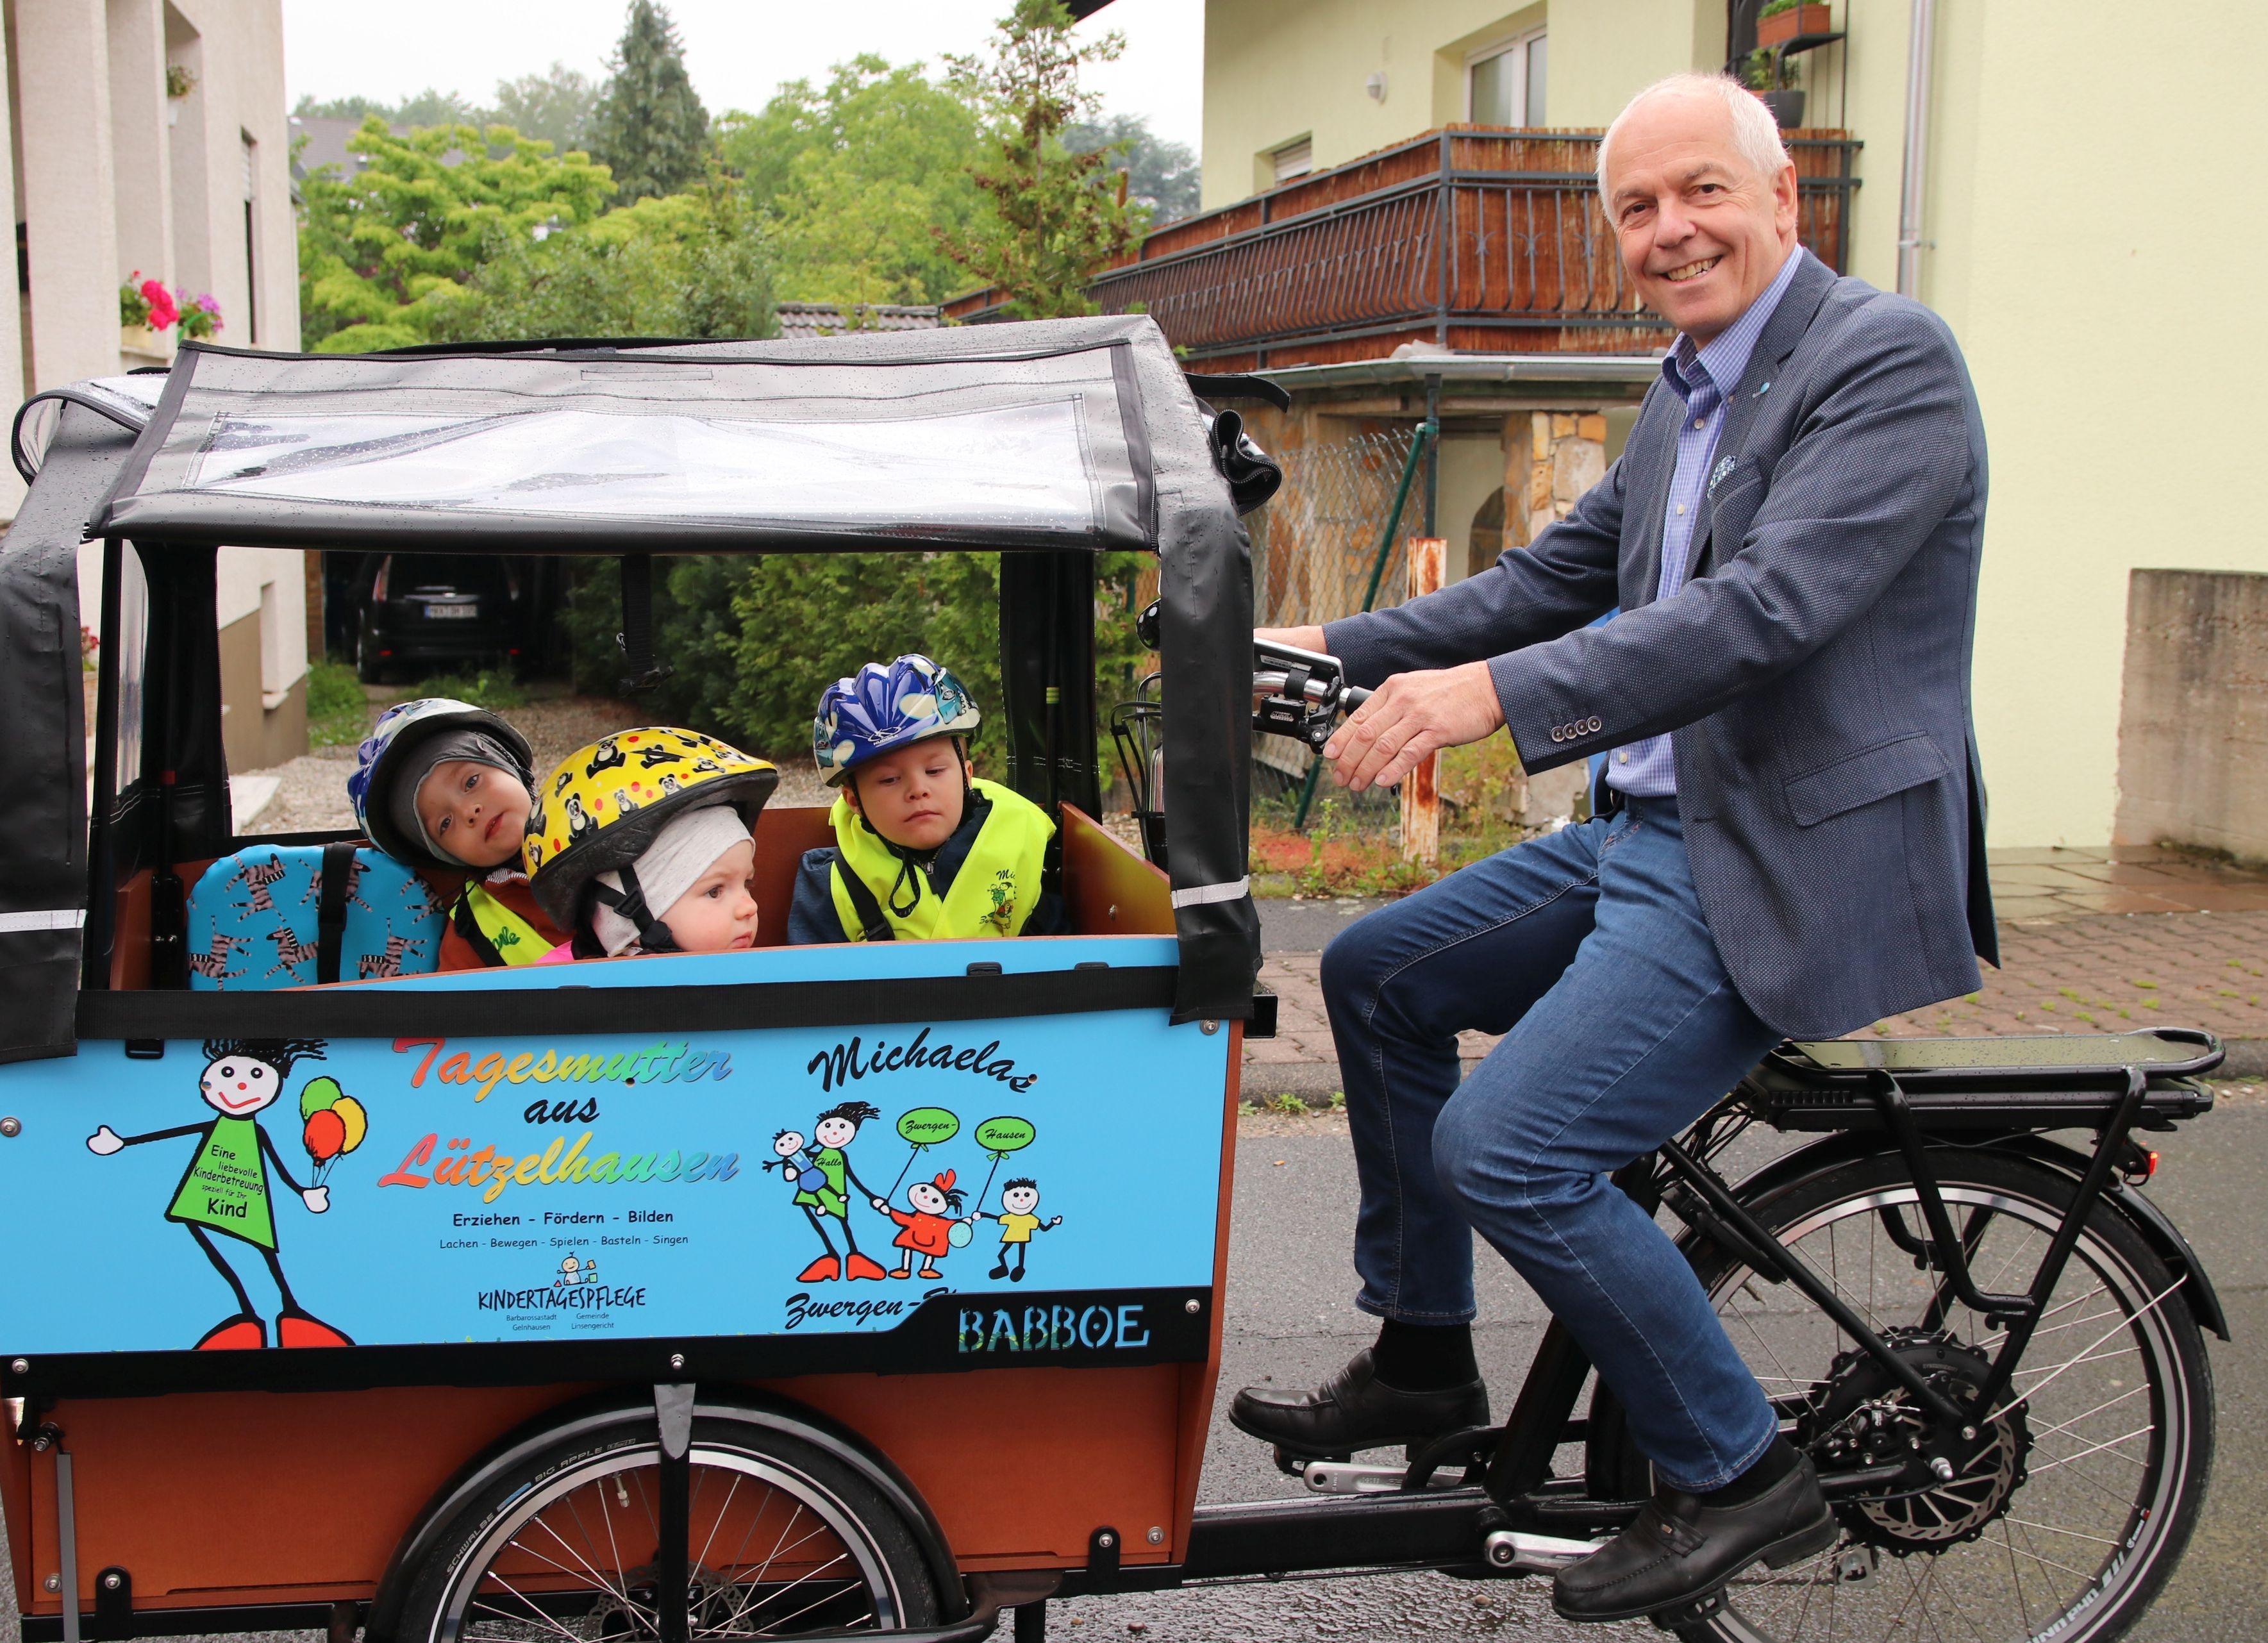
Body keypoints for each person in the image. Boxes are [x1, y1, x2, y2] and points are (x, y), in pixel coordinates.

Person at [1233, 72, 1994, 1625]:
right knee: (1375, 973)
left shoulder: (1884, 363)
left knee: (1507, 1147)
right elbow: (1542, 582)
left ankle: (1732, 1469)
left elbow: (1762, 610)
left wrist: (1486, 701)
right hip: (1650, 831)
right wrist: (1322, 646)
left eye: (1700, 191)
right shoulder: (1685, 389)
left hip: (1772, 855)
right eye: (1636, 208)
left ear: (1782, 200)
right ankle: (1424, 1355)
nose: (1669, 231)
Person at [787, 655, 1068, 944]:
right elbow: (810, 971)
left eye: (934, 771)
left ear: (966, 776)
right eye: (889, 779)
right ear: (854, 801)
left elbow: (1063, 953)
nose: (918, 790)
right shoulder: (834, 885)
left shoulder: (1021, 845)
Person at [522, 728, 778, 960]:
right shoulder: (557, 989)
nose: (749, 907)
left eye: (747, 884)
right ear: (624, 915)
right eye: (715, 891)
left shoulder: (747, 975)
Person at [348, 699, 562, 969]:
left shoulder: (604, 815)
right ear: (443, 854)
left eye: (471, 782)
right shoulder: (470, 937)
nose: (469, 812)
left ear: (509, 764)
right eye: (445, 823)